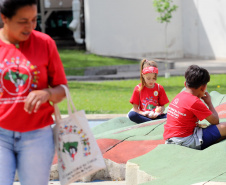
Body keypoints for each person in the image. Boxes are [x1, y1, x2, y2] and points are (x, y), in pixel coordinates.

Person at [0, 0, 67, 184]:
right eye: (23, 21)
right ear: (4, 18)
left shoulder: (45, 43)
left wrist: (47, 93)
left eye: (34, 20)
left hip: (38, 136)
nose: (30, 26)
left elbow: (62, 89)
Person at [164, 65, 226, 150]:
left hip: (171, 138)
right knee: (224, 126)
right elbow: (215, 121)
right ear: (203, 87)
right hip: (184, 141)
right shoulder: (194, 101)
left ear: (185, 84)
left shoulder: (179, 95)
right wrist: (209, 103)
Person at [128, 59, 169, 124]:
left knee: (171, 115)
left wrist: (160, 110)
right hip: (145, 116)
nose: (151, 81)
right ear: (143, 75)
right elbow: (135, 109)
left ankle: (151, 123)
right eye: (148, 78)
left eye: (154, 78)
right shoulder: (138, 89)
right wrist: (144, 114)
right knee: (132, 115)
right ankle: (153, 123)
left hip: (157, 116)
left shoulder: (159, 88)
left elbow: (162, 107)